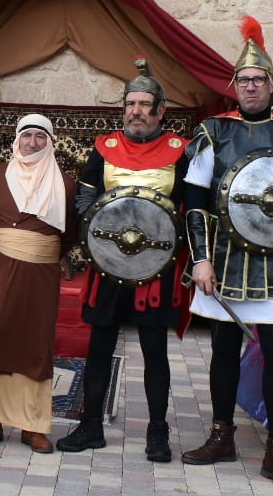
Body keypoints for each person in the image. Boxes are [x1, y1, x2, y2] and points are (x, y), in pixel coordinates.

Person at [182, 16, 273, 490]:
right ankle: (221, 435)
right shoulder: (213, 132)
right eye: (242, 80)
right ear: (234, 86)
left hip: (272, 255)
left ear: (271, 84)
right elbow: (196, 201)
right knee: (223, 348)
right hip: (222, 255)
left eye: (257, 80)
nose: (249, 87)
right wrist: (200, 259)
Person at [57, 58, 190, 462]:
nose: (136, 110)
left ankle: (157, 432)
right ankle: (91, 425)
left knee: (154, 351)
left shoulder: (179, 152)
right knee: (99, 347)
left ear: (160, 110)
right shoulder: (104, 148)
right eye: (130, 103)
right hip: (109, 265)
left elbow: (190, 208)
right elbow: (83, 198)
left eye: (145, 104)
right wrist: (103, 225)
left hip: (156, 269)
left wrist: (172, 240)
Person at [0, 114, 77, 453]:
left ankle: (32, 425)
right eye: (28, 136)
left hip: (41, 272)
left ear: (50, 142)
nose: (33, 142)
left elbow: (70, 233)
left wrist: (42, 250)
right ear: (17, 140)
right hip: (1, 267)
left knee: (35, 342)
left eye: (41, 136)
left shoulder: (66, 184)